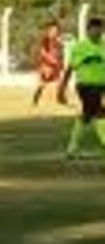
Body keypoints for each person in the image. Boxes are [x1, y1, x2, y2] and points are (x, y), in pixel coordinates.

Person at [58, 17, 105, 159]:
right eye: (94, 29)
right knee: (99, 113)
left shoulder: (103, 47)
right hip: (85, 85)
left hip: (101, 85)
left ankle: (71, 149)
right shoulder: (80, 47)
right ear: (88, 30)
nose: (97, 32)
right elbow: (69, 69)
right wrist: (62, 88)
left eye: (100, 29)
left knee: (87, 115)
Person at [33, 20, 65, 107]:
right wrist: (52, 60)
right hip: (46, 66)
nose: (55, 32)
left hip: (55, 66)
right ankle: (35, 99)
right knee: (42, 84)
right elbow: (43, 52)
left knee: (60, 82)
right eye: (53, 30)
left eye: (57, 30)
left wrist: (59, 61)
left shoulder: (57, 41)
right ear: (49, 30)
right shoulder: (45, 40)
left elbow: (59, 52)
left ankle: (60, 98)